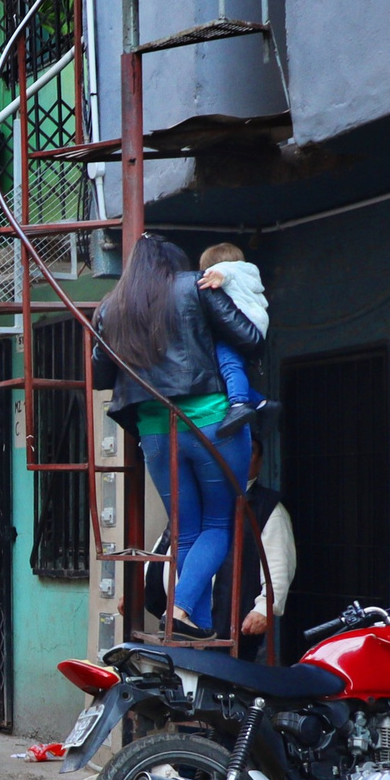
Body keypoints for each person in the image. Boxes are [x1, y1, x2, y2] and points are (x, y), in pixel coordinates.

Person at [91, 233, 264, 636]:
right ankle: (182, 608)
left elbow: (100, 375)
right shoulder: (194, 286)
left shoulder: (112, 307)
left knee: (185, 530)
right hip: (211, 422)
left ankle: (195, 625)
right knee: (219, 524)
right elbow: (250, 338)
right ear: (174, 264)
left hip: (153, 431)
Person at [196, 241, 274, 432]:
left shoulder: (227, 271)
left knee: (229, 365)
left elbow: (226, 272)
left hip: (236, 327)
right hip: (254, 326)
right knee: (229, 373)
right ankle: (262, 403)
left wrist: (217, 275)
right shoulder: (248, 274)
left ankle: (238, 404)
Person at [234, 435, 296, 661]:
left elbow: (278, 565)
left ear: (259, 462)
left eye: (249, 451)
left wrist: (264, 608)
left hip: (239, 624)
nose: (240, 455)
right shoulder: (207, 499)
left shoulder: (269, 508)